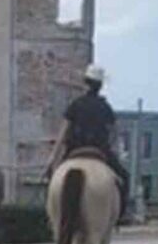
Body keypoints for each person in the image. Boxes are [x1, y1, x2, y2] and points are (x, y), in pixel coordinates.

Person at [46, 64, 131, 223]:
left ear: (86, 83)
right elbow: (114, 135)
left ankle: (52, 215)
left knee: (54, 179)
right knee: (125, 177)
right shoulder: (106, 107)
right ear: (100, 86)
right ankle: (120, 214)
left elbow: (62, 134)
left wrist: (52, 159)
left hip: (74, 151)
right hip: (99, 152)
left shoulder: (75, 105)